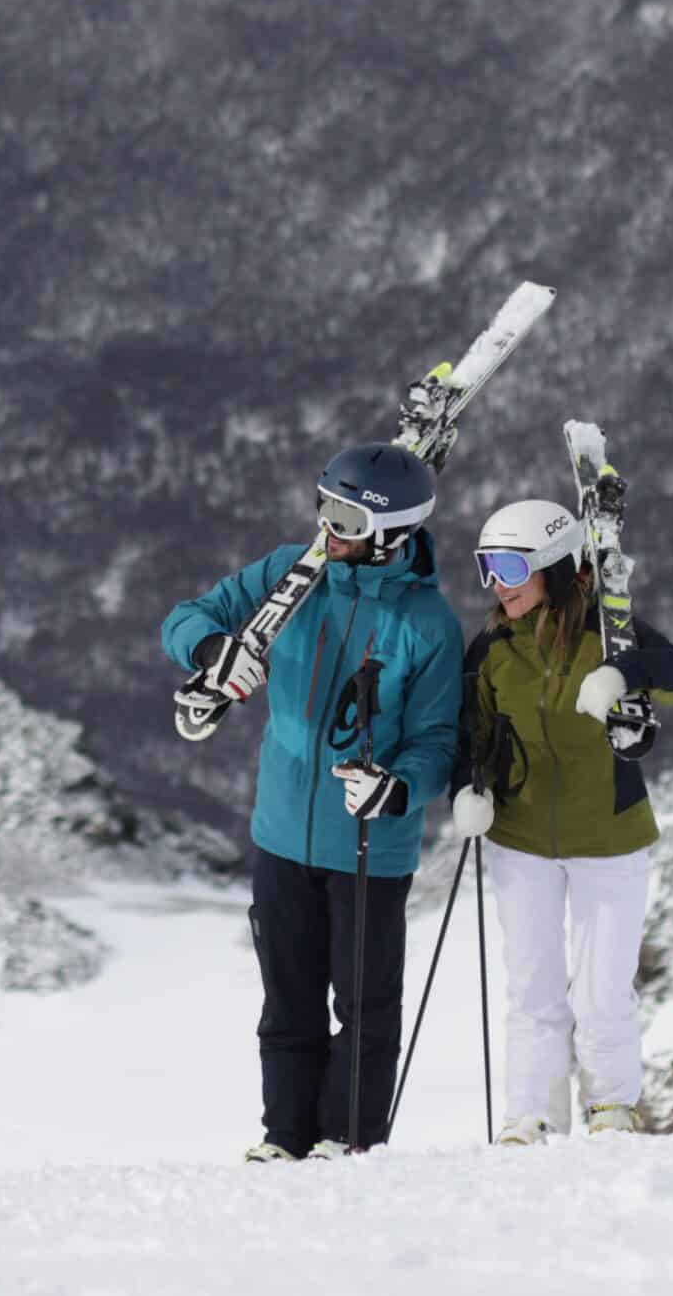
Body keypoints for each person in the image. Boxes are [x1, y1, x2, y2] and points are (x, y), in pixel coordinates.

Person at [162, 443, 462, 1162]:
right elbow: (186, 615)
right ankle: (284, 1136)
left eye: (346, 514)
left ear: (390, 530)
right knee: (286, 1002)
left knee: (364, 1009)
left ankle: (349, 1138)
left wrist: (397, 786)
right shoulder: (287, 576)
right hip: (280, 835)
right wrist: (210, 651)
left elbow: (438, 739)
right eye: (323, 504)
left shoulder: (428, 625)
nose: (327, 525)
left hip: (369, 846)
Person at [450, 497, 673, 1143]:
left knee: (603, 988)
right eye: (486, 566)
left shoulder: (607, 635)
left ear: (553, 566)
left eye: (508, 565)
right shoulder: (492, 649)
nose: (496, 583)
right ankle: (531, 1113)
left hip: (609, 837)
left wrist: (622, 672)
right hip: (520, 838)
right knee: (532, 986)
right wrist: (464, 790)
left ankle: (611, 1105)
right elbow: (467, 733)